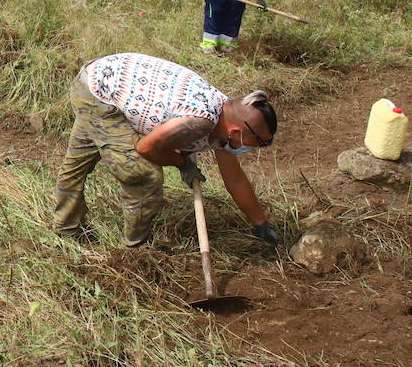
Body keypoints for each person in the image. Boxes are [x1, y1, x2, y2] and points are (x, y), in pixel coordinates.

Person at [51, 51, 280, 249]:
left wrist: (260, 223)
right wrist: (183, 163)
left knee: (79, 160)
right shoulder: (202, 120)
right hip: (100, 94)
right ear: (237, 132)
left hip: (99, 80)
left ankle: (66, 226)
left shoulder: (226, 115)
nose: (252, 149)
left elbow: (235, 179)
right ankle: (135, 248)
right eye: (257, 143)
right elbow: (147, 147)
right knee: (144, 175)